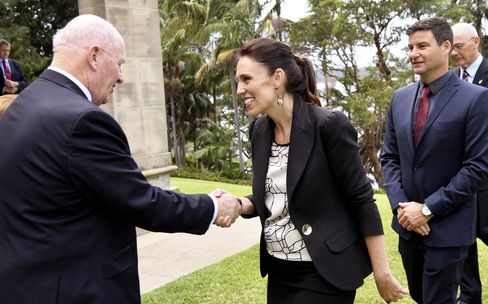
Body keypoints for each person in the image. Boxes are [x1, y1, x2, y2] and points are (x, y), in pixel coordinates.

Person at [0, 14, 241, 304]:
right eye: (121, 63)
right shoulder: (83, 121)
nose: (122, 77)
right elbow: (143, 203)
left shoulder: (22, 105)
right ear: (95, 56)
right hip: (74, 289)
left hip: (25, 284)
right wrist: (215, 205)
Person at [230, 37, 407, 304]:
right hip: (279, 271)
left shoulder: (328, 125)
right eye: (238, 81)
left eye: (246, 79)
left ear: (277, 78)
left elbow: (361, 200)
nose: (239, 89)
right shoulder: (260, 130)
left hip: (324, 273)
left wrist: (382, 273)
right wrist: (239, 204)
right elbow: (278, 194)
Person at [380, 17, 488, 304]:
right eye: (409, 47)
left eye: (422, 45)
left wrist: (429, 208)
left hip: (449, 230)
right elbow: (390, 158)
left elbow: (478, 167)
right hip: (408, 228)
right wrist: (402, 207)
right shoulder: (400, 98)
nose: (413, 53)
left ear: (445, 47)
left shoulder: (477, 99)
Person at [450, 22, 488, 304]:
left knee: (487, 228)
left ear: (476, 42)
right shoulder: (454, 80)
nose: (454, 52)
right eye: (451, 47)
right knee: (465, 231)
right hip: (462, 175)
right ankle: (470, 295)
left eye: (458, 46)